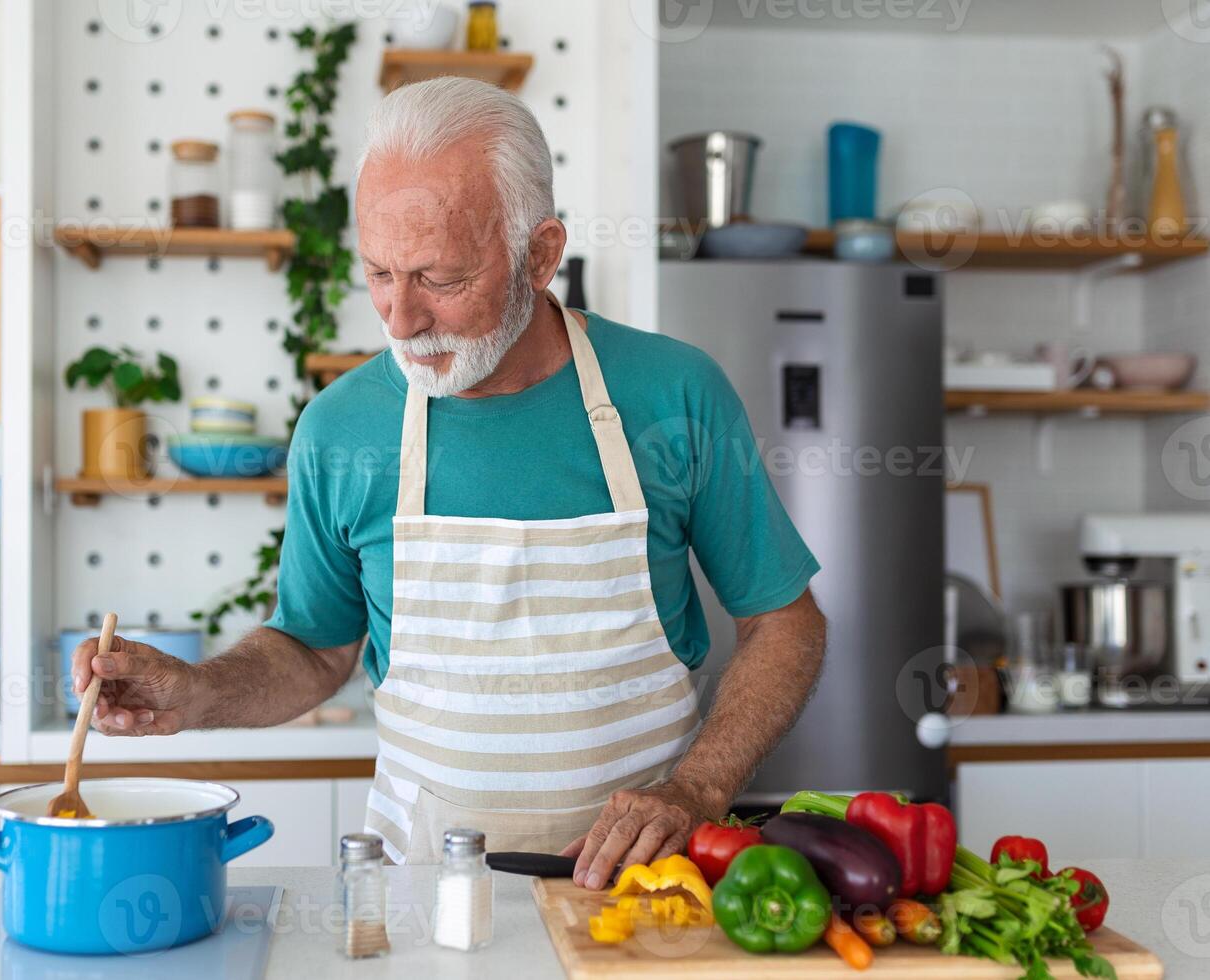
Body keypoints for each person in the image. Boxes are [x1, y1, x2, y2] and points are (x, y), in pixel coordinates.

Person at [72, 77, 826, 890]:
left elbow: (785, 623)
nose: (399, 319)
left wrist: (697, 789)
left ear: (540, 256)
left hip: (645, 898)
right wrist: (197, 692)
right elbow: (312, 650)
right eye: (379, 273)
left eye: (440, 279)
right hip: (421, 897)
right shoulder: (342, 428)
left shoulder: (674, 393)